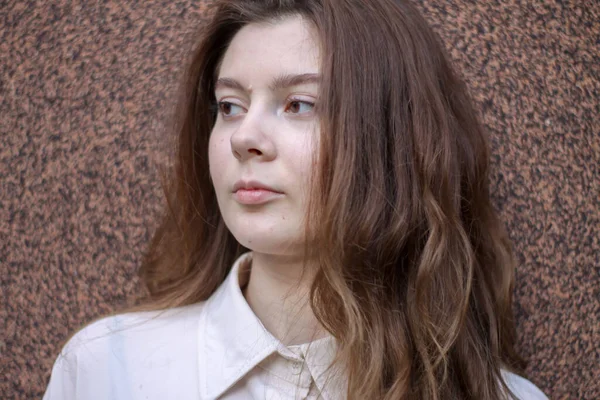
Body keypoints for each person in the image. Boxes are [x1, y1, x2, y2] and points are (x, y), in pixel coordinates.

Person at [43, 0, 549, 399]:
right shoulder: (104, 372)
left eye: (299, 104)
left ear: (390, 139)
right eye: (230, 105)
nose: (245, 137)